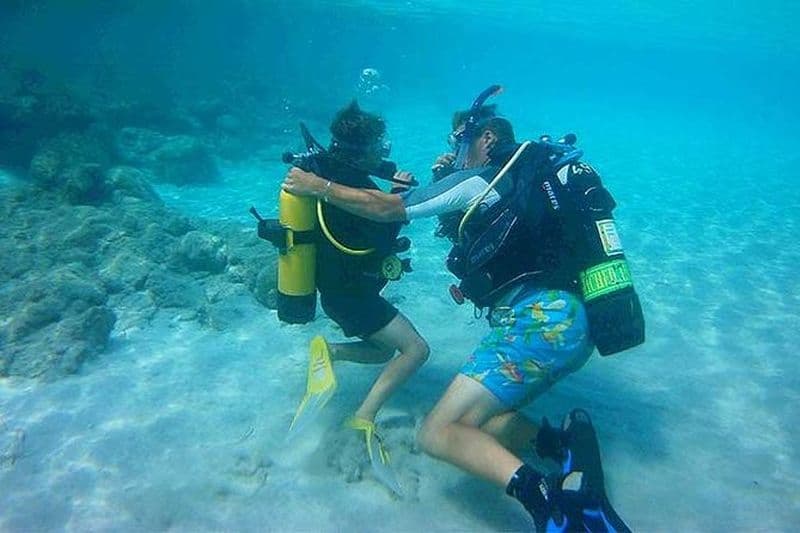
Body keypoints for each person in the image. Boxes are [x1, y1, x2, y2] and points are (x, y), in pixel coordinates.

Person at [283, 87, 643, 531]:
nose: (452, 152)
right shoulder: (516, 186)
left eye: (459, 142)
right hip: (567, 323)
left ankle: (551, 505)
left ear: (487, 138)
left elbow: (389, 208)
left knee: (436, 433)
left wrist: (315, 185)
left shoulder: (483, 178)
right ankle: (564, 445)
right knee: (478, 423)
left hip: (539, 324)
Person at [287, 101, 430, 469]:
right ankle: (364, 416)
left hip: (342, 291)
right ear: (360, 150)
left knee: (383, 351)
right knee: (415, 350)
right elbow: (379, 236)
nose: (383, 154)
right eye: (378, 148)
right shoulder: (351, 187)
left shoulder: (330, 175)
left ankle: (329, 351)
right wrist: (396, 196)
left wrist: (389, 188)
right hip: (350, 294)